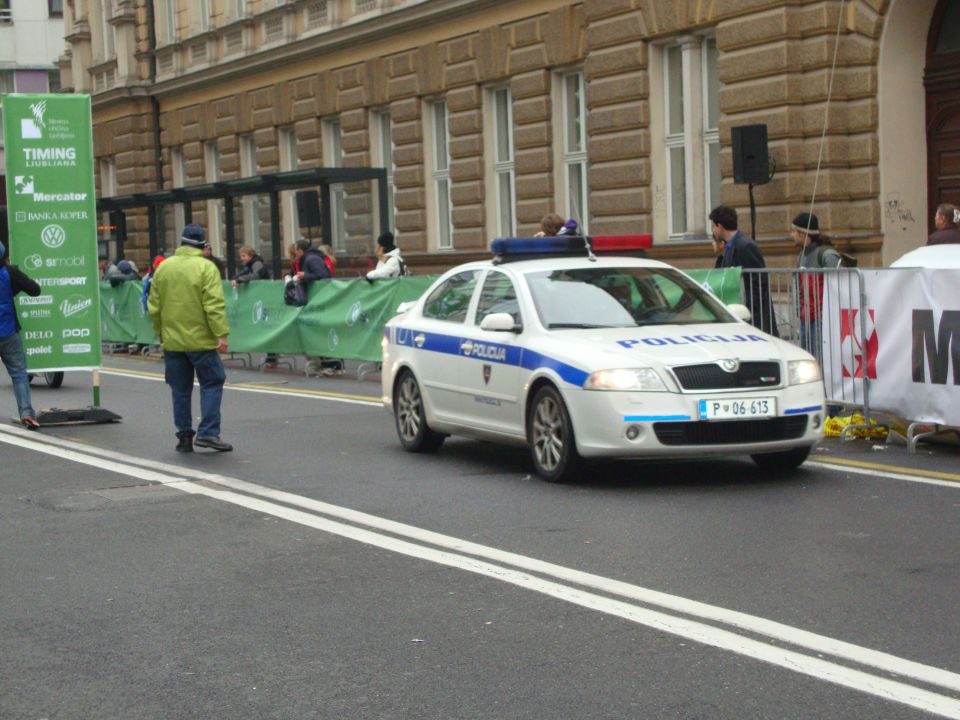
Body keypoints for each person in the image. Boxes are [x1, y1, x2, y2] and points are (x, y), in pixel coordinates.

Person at [147, 223, 232, 453]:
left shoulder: (164, 268)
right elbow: (213, 304)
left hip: (173, 340)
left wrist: (160, 332)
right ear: (203, 244)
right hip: (201, 339)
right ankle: (208, 433)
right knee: (212, 381)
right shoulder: (206, 268)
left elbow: (154, 305)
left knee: (180, 388)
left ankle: (184, 436)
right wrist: (220, 334)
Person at [709, 205, 779, 336]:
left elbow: (758, 281)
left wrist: (751, 313)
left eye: (713, 226)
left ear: (720, 226)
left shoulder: (746, 245)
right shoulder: (730, 246)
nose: (712, 231)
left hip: (753, 317)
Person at [0, 240, 41, 429]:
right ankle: (26, 413)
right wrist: (12, 289)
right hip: (8, 331)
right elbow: (35, 290)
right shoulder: (10, 272)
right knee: (18, 374)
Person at [792, 212, 838, 357]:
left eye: (794, 231)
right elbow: (799, 286)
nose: (791, 234)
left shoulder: (827, 255)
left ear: (803, 234)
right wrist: (800, 310)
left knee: (822, 358)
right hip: (806, 318)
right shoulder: (801, 257)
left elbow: (838, 287)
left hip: (823, 319)